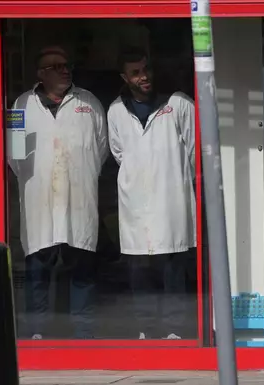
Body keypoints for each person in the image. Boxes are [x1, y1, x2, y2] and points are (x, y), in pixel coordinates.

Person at [9, 45, 108, 339]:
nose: (65, 70)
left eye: (67, 65)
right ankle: (37, 333)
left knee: (82, 271)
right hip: (39, 199)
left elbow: (101, 149)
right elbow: (14, 156)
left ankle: (83, 333)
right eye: (57, 66)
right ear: (41, 74)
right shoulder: (21, 105)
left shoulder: (88, 103)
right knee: (38, 269)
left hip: (79, 199)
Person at [107, 47, 197, 340]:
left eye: (145, 69)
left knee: (172, 270)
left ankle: (175, 329)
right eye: (135, 72)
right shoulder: (116, 110)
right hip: (136, 205)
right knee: (139, 271)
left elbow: (196, 152)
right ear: (125, 77)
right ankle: (146, 328)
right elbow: (119, 153)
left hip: (171, 201)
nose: (143, 76)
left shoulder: (179, 104)